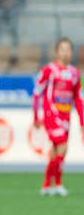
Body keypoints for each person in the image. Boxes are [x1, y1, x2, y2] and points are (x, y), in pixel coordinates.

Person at [33, 37, 83, 197]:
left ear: (72, 52)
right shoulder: (49, 70)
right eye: (62, 49)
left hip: (66, 115)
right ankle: (59, 184)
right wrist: (36, 116)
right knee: (63, 146)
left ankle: (47, 185)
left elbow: (78, 98)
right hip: (51, 114)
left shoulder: (75, 73)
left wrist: (82, 120)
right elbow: (37, 93)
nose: (66, 52)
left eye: (68, 49)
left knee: (56, 151)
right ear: (57, 52)